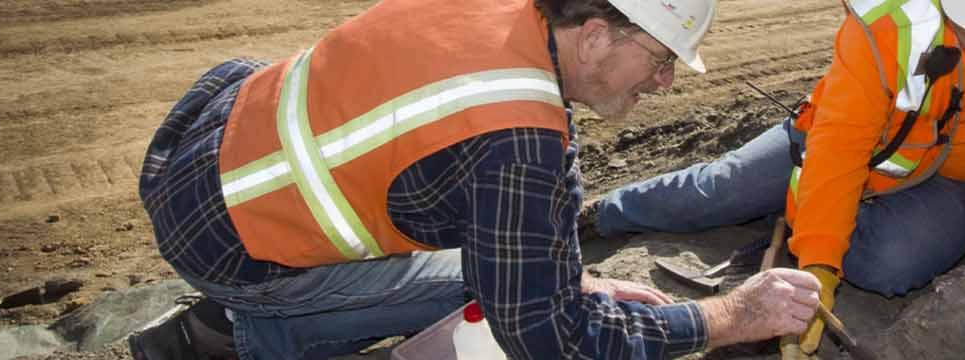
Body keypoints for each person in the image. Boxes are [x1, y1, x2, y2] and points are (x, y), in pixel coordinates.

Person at [134, 0, 824, 358]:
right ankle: (230, 337)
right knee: (480, 286)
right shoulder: (522, 143)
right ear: (593, 37)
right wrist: (727, 317)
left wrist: (564, 274)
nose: (667, 82)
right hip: (225, 247)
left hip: (194, 146)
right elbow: (547, 337)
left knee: (501, 256)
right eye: (662, 59)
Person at [593, 0, 965, 354]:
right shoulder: (889, 18)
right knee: (716, 190)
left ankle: (799, 218)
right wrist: (819, 264)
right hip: (842, 138)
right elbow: (837, 148)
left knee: (885, 265)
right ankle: (598, 213)